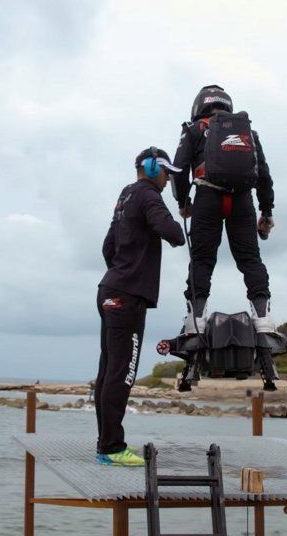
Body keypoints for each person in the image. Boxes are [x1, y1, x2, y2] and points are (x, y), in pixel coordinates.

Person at [95, 147, 184, 466]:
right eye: (166, 173)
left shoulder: (126, 195)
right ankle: (111, 449)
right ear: (152, 168)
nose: (168, 181)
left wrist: (121, 271)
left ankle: (106, 445)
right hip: (127, 297)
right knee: (123, 373)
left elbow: (108, 247)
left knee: (109, 371)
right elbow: (173, 233)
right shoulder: (148, 195)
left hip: (109, 289)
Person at [171, 85, 276, 334]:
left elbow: (178, 169)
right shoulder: (248, 132)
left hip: (207, 197)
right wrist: (266, 211)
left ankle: (196, 320)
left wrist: (184, 203)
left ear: (199, 106)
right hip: (242, 200)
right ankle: (263, 318)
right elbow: (263, 175)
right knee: (250, 259)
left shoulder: (194, 130)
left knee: (202, 259)